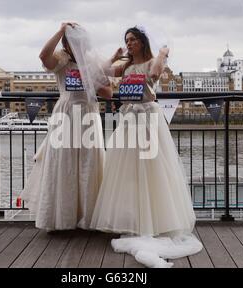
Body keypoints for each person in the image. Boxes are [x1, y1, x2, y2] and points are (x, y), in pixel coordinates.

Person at [90, 26, 202, 268]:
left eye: (132, 40)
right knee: (127, 172)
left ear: (141, 42)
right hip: (129, 119)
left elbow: (155, 73)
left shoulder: (152, 62)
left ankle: (156, 220)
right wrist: (114, 55)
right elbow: (101, 72)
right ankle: (132, 220)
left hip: (148, 120)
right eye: (126, 40)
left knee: (152, 168)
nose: (129, 43)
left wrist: (163, 53)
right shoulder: (125, 67)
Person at [19, 23, 113, 231]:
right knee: (64, 163)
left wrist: (93, 81)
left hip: (88, 113)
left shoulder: (91, 62)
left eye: (76, 40)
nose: (73, 44)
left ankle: (88, 218)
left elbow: (108, 92)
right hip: (66, 114)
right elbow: (44, 56)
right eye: (68, 40)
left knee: (90, 162)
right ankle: (63, 218)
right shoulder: (61, 59)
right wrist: (61, 30)